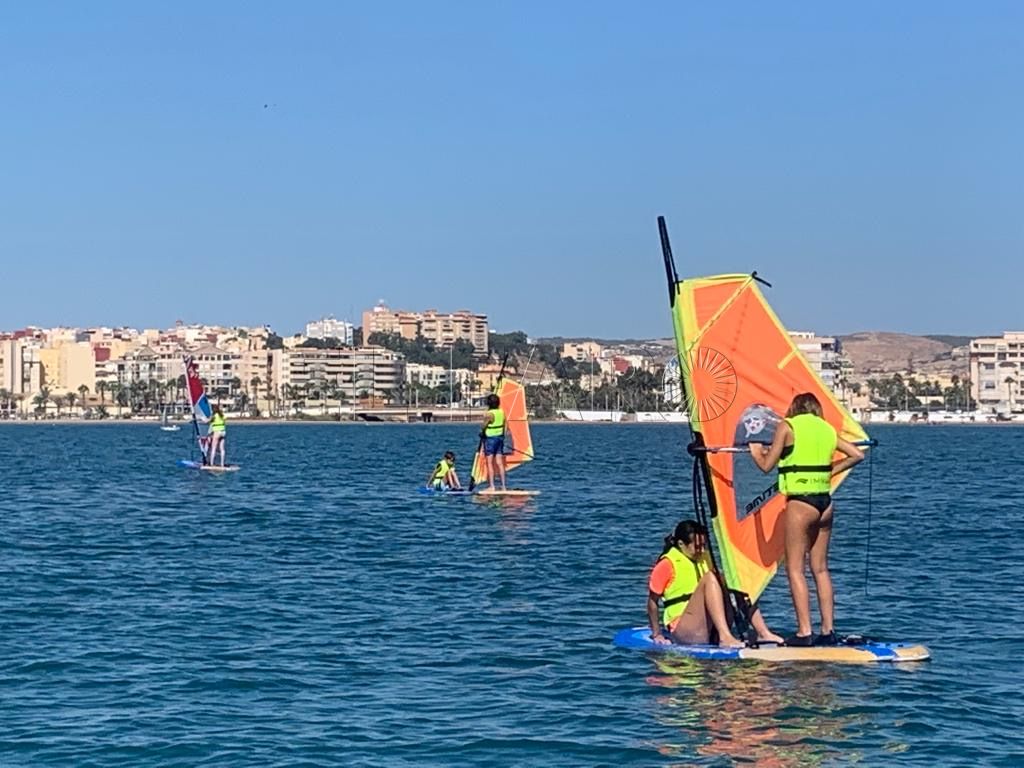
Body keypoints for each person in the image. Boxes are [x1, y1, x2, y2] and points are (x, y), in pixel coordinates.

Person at [748, 392, 864, 646]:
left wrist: (756, 451)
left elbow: (767, 465)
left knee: (795, 568)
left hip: (801, 503)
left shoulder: (787, 426)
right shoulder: (827, 430)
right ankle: (828, 630)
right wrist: (829, 471)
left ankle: (804, 632)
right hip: (825, 503)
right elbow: (857, 455)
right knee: (820, 568)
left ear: (795, 408)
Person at [647, 520, 782, 648]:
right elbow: (652, 602)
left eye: (703, 546)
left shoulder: (705, 558)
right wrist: (657, 634)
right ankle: (725, 637)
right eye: (697, 547)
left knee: (736, 579)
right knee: (711, 577)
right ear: (681, 544)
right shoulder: (667, 564)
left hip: (710, 627)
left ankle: (763, 633)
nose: (701, 551)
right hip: (684, 629)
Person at [480, 393, 507, 491]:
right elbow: (505, 425)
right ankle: (503, 486)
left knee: (490, 463)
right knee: (500, 463)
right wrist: (503, 435)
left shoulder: (489, 414)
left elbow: (483, 426)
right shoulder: (502, 412)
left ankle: (492, 486)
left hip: (490, 439)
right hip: (500, 438)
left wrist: (485, 417)